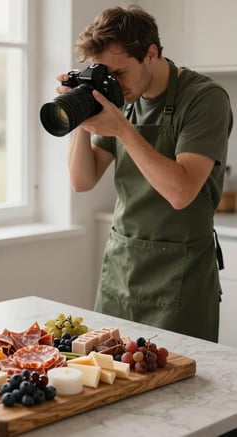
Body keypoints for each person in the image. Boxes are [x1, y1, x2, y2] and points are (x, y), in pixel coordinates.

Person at [56, 6, 233, 342]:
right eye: (105, 75)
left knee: (178, 387)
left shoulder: (204, 98)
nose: (113, 84)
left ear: (150, 54)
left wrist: (122, 128)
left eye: (119, 73)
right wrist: (79, 114)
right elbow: (83, 180)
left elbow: (181, 192)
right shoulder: (118, 96)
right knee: (112, 380)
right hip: (122, 267)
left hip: (180, 277)